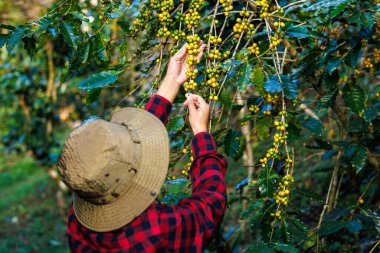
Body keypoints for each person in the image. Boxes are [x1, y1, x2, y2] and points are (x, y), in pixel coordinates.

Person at [57, 41, 228, 252]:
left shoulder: (78, 222)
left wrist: (172, 82)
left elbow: (134, 143)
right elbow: (209, 207)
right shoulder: (154, 231)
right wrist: (202, 135)